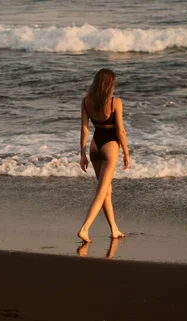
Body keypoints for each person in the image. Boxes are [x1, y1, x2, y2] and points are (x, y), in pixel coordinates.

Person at [77, 68, 130, 243]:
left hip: (94, 146)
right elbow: (121, 131)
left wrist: (83, 154)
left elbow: (85, 129)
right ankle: (85, 229)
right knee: (101, 192)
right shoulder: (115, 102)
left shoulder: (86, 101)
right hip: (110, 146)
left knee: (107, 190)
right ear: (109, 85)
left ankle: (114, 229)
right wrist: (126, 153)